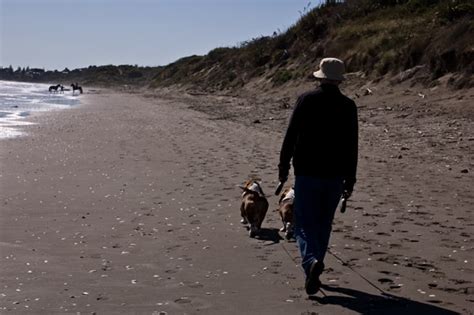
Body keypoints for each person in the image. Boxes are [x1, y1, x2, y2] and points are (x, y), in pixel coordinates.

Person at [278, 57, 358, 295]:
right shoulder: (348, 105)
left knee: (303, 223)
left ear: (320, 77)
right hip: (335, 175)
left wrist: (283, 168)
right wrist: (350, 179)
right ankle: (314, 267)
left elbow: (290, 135)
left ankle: (311, 262)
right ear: (339, 79)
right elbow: (352, 145)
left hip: (307, 173)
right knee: (324, 224)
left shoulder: (306, 100)